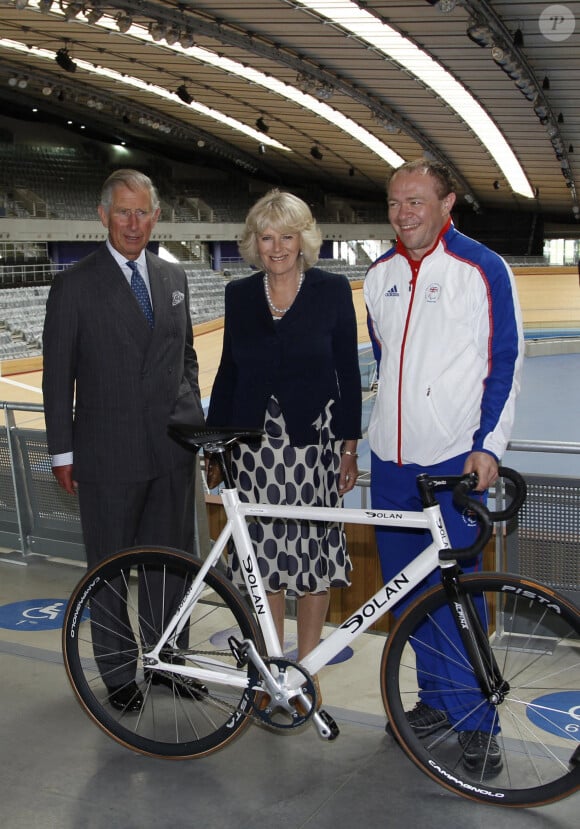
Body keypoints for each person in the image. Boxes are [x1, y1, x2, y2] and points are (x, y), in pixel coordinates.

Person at [364, 159, 524, 773]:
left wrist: (488, 444)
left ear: (446, 201)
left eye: (416, 202)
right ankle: (434, 701)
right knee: (408, 594)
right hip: (391, 462)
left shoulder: (481, 269)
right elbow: (386, 359)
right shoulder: (379, 276)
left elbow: (504, 362)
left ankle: (478, 721)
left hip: (454, 463)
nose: (404, 214)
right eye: (395, 203)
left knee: (458, 596)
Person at [42, 168, 206, 712]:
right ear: (102, 216)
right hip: (107, 452)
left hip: (171, 450)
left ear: (157, 217)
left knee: (171, 563)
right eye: (122, 212)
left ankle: (168, 662)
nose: (133, 223)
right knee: (110, 568)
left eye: (143, 212)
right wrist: (63, 452)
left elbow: (186, 357)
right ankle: (118, 672)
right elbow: (56, 374)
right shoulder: (75, 284)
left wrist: (192, 422)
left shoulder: (173, 277)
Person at [206, 189, 362, 701]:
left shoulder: (333, 291)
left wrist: (348, 447)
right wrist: (215, 444)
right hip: (254, 449)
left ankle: (307, 665)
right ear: (255, 242)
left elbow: (347, 372)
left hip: (313, 446)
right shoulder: (240, 294)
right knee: (266, 560)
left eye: (287, 236)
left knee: (313, 559)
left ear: (303, 240)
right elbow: (229, 371)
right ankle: (274, 665)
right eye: (267, 237)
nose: (276, 247)